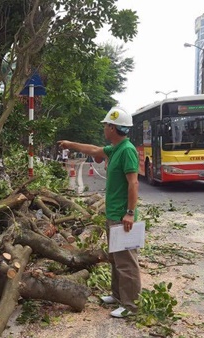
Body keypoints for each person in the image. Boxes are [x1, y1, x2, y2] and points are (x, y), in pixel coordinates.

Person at [57, 106, 140, 318]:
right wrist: (69, 144)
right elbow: (94, 150)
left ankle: (131, 305)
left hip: (123, 216)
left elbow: (134, 183)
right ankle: (118, 296)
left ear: (113, 127)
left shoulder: (127, 150)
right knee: (115, 258)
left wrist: (130, 213)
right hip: (113, 213)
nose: (104, 129)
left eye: (106, 125)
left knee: (127, 261)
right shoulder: (115, 148)